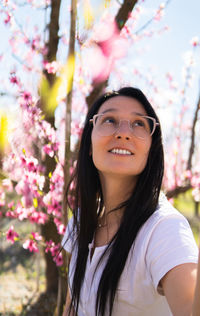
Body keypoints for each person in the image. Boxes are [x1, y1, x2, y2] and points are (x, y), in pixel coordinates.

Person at [62, 87, 199, 316]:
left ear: (150, 149)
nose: (124, 133)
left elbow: (188, 307)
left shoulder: (163, 229)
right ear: (89, 142)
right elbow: (72, 306)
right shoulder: (80, 219)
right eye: (109, 119)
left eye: (139, 124)